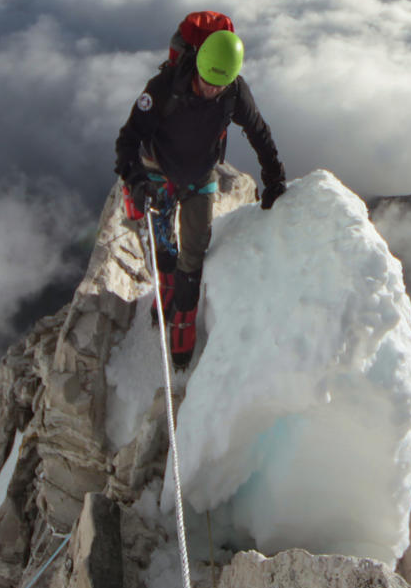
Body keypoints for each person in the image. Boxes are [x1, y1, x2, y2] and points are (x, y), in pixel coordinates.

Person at [113, 25, 285, 366]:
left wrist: (274, 177)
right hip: (158, 173)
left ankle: (182, 328)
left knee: (194, 252)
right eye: (207, 81)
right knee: (165, 250)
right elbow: (128, 138)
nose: (211, 90)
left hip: (199, 175)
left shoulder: (234, 92)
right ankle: (165, 290)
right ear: (198, 65)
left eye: (219, 84)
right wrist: (135, 179)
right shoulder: (164, 88)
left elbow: (258, 132)